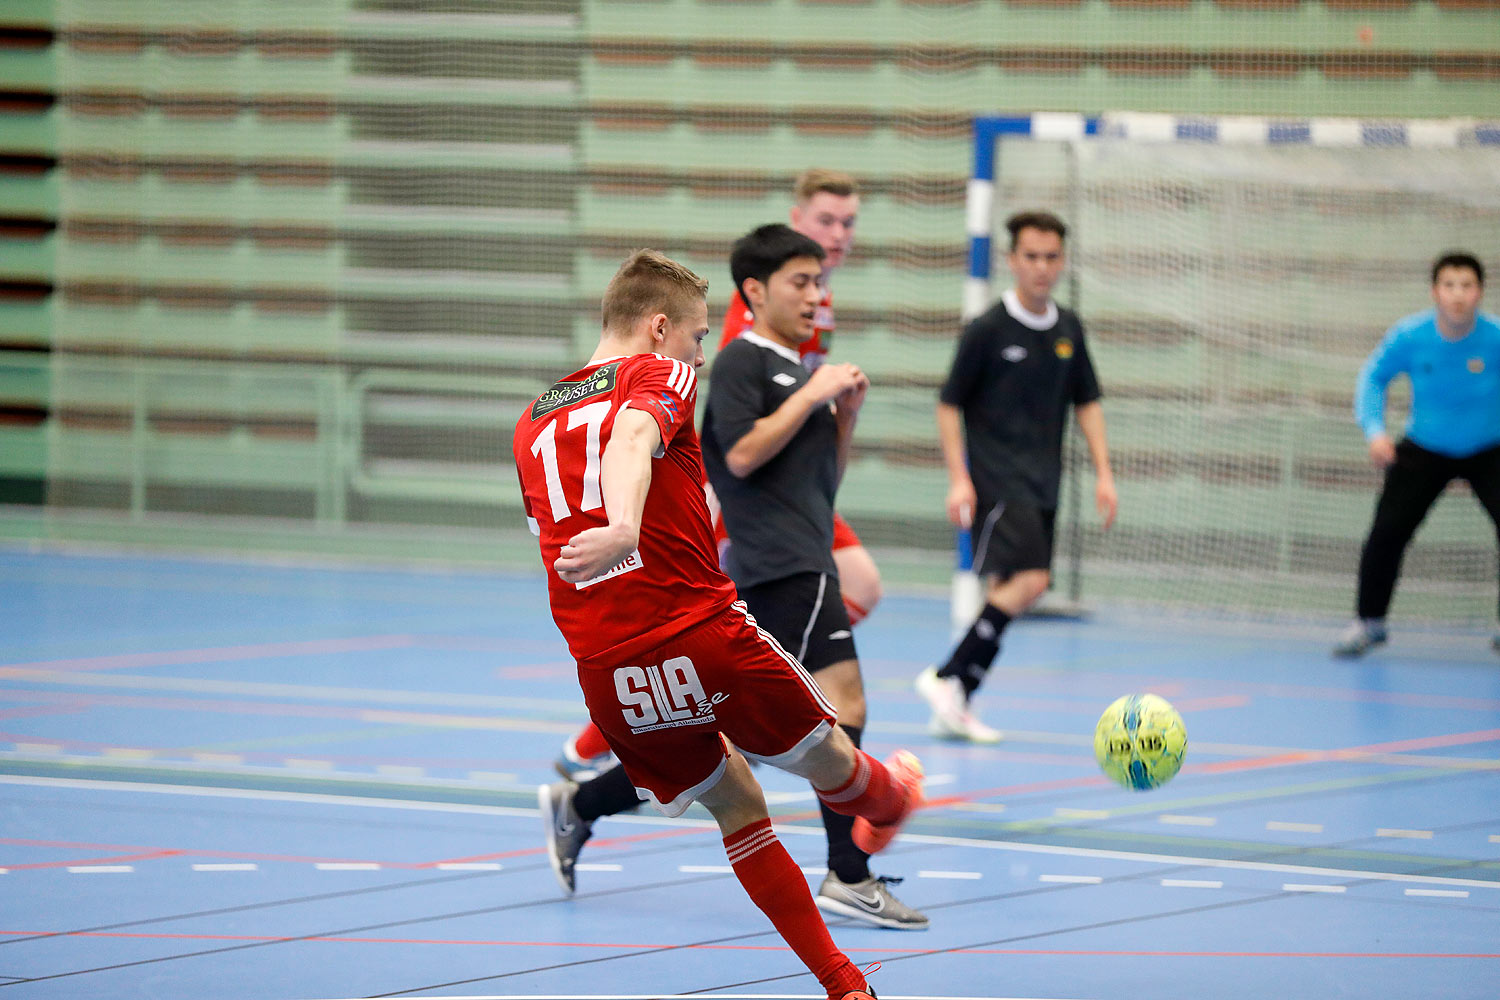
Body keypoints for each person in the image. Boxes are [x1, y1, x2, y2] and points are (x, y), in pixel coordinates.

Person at [514, 248, 923, 1000]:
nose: (701, 352)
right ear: (660, 327)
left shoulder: (532, 420)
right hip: (699, 632)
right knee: (843, 770)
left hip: (606, 672)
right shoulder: (655, 372)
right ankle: (895, 799)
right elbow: (635, 435)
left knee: (737, 802)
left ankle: (845, 984)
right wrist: (629, 525)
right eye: (698, 337)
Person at [554, 168, 879, 782]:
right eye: (824, 223)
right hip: (743, 510)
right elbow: (723, 439)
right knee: (715, 671)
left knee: (738, 692)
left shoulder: (814, 314)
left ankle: (613, 765)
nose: (838, 236)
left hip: (789, 505)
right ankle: (603, 741)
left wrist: (839, 418)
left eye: (848, 224)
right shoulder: (742, 342)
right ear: (796, 223)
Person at [915, 210, 1117, 741]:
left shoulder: (1069, 327)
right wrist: (959, 478)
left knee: (1009, 587)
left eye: (1051, 257)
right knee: (1033, 581)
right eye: (1031, 256)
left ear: (1062, 261)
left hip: (1045, 480)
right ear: (1012, 260)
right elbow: (948, 404)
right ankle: (947, 676)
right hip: (998, 480)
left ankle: (956, 694)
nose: (1042, 267)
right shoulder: (987, 329)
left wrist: (1104, 474)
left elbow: (1088, 402)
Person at [1333, 251, 1500, 658]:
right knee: (1387, 532)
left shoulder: (1495, 338)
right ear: (1435, 291)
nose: (1457, 294)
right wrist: (1374, 432)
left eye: (1466, 285)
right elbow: (1373, 378)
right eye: (1449, 285)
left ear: (1479, 291)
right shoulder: (1410, 336)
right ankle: (1368, 623)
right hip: (1425, 447)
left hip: (1489, 449)